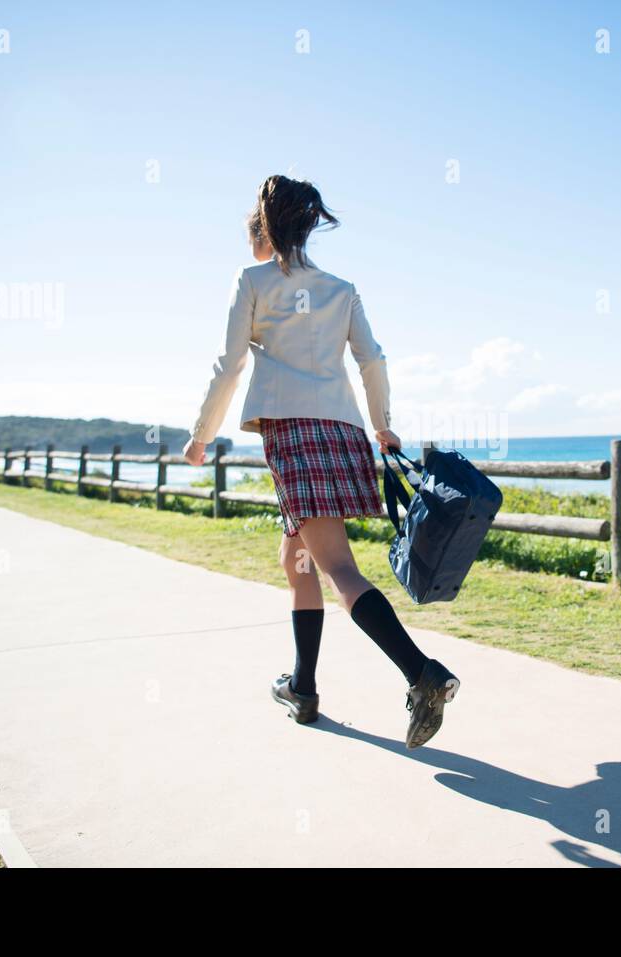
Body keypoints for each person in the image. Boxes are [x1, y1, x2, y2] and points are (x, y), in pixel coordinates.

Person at [182, 174, 459, 749]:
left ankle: (422, 673)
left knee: (337, 566)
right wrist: (381, 423)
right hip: (341, 428)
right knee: (297, 558)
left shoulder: (253, 279)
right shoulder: (341, 287)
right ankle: (302, 688)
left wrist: (200, 435)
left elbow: (230, 364)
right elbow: (372, 360)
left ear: (265, 225)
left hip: (294, 432)